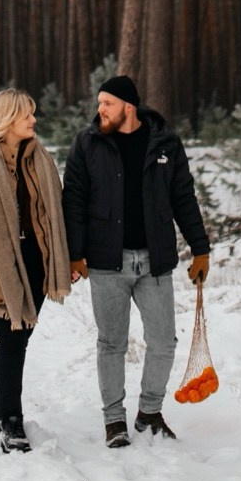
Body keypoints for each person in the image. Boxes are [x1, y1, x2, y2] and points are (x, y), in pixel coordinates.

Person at [62, 75, 210, 448]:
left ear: (128, 106)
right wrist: (75, 254)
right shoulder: (88, 143)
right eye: (99, 103)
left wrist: (200, 248)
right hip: (105, 262)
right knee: (111, 343)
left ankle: (149, 412)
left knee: (163, 342)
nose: (100, 109)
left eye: (107, 103)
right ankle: (114, 420)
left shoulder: (165, 143)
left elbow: (183, 196)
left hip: (154, 260)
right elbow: (74, 199)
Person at [0, 89, 71, 454]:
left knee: (19, 338)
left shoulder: (41, 160)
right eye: (26, 115)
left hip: (37, 261)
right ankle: (10, 420)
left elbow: (56, 209)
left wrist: (69, 257)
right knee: (11, 338)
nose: (34, 120)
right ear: (7, 119)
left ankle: (1, 412)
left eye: (33, 114)